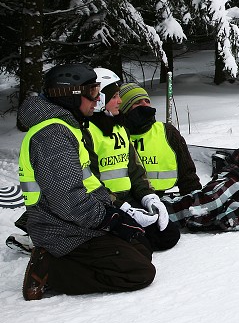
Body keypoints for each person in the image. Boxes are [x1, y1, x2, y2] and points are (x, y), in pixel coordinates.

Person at [18, 64, 155, 300]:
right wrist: (108, 220)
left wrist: (115, 209)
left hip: (73, 222)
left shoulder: (67, 128)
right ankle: (50, 270)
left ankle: (62, 261)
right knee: (139, 272)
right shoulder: (53, 137)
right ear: (71, 96)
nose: (97, 99)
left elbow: (88, 181)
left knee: (142, 247)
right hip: (60, 229)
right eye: (92, 92)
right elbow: (68, 201)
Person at [84, 70, 180, 252]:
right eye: (114, 97)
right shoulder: (87, 132)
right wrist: (123, 208)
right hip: (104, 204)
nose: (119, 101)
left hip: (127, 198)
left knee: (167, 235)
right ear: (100, 100)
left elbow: (135, 170)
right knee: (141, 245)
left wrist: (149, 197)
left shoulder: (120, 128)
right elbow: (90, 182)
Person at [118, 82, 202, 196]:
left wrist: (194, 203)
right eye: (137, 102)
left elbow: (188, 176)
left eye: (147, 101)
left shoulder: (168, 132)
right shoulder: (115, 135)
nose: (145, 105)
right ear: (125, 108)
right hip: (125, 204)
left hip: (161, 200)